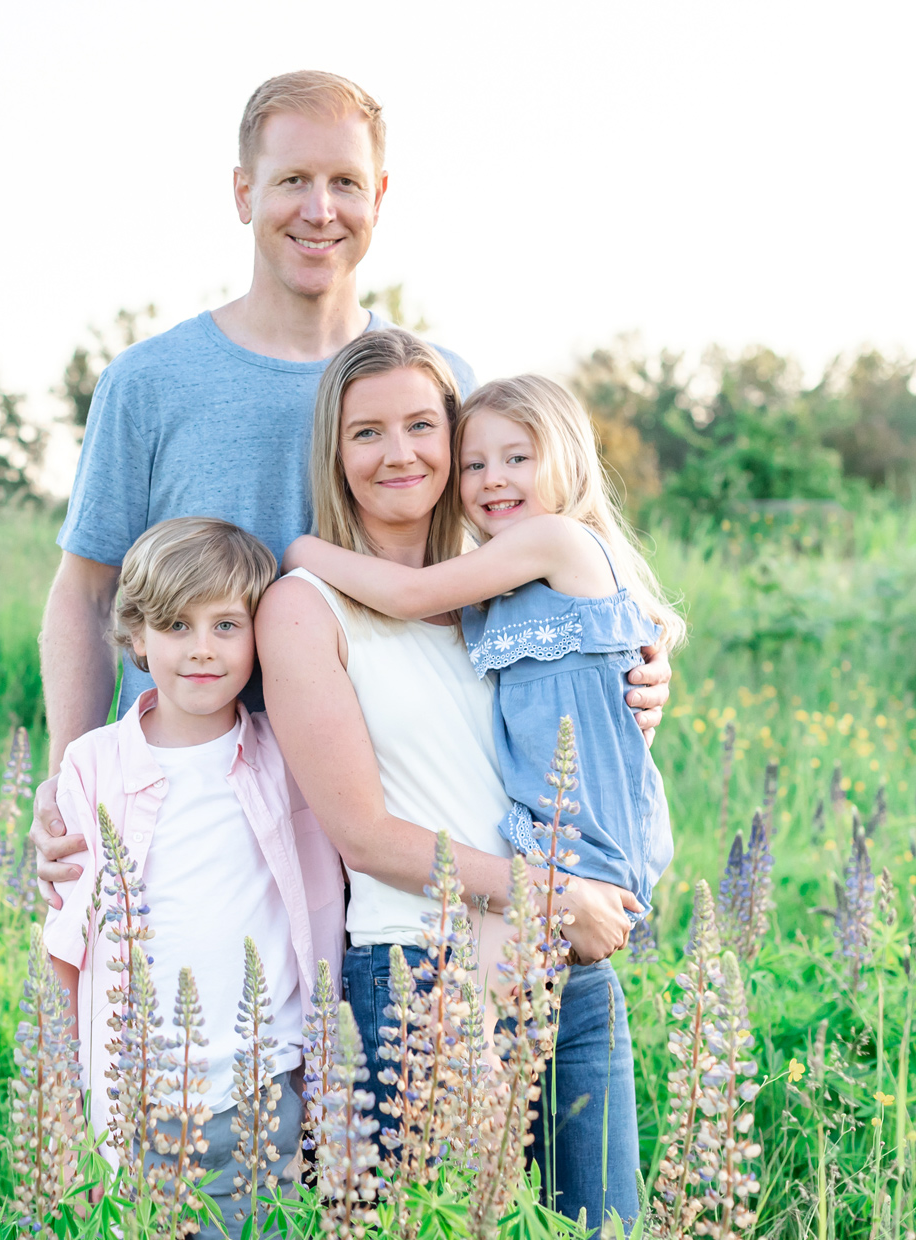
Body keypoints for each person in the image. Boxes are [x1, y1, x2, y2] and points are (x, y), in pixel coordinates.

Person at [33, 69, 671, 910]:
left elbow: (531, 572)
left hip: (421, 810)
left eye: (344, 183)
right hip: (199, 805)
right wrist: (68, 777)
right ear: (242, 192)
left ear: (379, 195)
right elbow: (86, 593)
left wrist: (629, 667)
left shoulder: (442, 387)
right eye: (292, 180)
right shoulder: (151, 383)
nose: (319, 210)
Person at [256, 329, 642, 1240]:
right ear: (334, 454)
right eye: (367, 433)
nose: (401, 454)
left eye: (425, 426)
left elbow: (588, 723)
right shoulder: (306, 603)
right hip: (420, 981)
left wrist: (645, 673)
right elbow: (364, 832)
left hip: (569, 969)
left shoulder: (513, 582)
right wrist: (551, 892)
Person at [42, 517, 344, 1240]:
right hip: (131, 1089)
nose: (202, 648)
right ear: (138, 637)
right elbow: (64, 937)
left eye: (226, 625)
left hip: (262, 1084)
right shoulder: (94, 763)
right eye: (177, 625)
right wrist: (56, 1086)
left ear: (257, 640)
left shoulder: (284, 755)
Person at [282, 373, 683, 922]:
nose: (493, 480)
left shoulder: (552, 539)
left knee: (499, 991)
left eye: (518, 459)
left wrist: (303, 548)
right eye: (475, 465)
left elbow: (410, 594)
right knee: (500, 987)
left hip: (586, 831)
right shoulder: (500, 590)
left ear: (567, 461)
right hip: (540, 854)